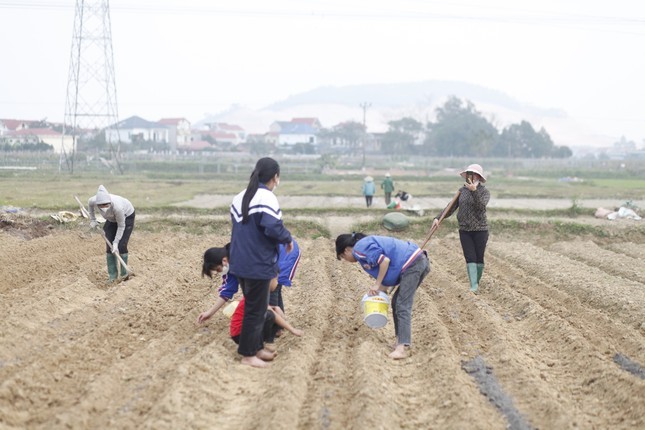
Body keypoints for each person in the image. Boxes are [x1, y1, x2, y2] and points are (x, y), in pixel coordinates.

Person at [229, 157, 293, 368]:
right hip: (258, 263)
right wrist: (287, 238)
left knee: (254, 305)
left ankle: (257, 348)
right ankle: (248, 354)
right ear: (275, 177)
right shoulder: (267, 197)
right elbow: (272, 227)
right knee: (255, 310)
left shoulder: (240, 196)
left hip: (240, 261)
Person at [335, 233, 430, 360]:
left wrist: (376, 284)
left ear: (347, 249)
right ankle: (399, 341)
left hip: (413, 264)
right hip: (416, 262)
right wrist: (379, 291)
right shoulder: (363, 250)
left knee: (402, 304)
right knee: (396, 301)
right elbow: (386, 275)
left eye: (343, 256)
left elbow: (384, 261)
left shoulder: (359, 249)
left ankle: (401, 348)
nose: (346, 260)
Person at [196, 240, 300, 324]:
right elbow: (227, 291)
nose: (220, 272)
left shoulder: (242, 255)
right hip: (270, 257)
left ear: (223, 260)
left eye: (218, 269)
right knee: (270, 290)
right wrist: (210, 312)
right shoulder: (230, 266)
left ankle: (275, 326)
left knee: (272, 288)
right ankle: (278, 324)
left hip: (285, 250)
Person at [431, 163, 490, 294]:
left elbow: (481, 206)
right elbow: (450, 207)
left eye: (473, 174)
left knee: (479, 257)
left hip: (480, 230)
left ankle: (476, 282)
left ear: (478, 177)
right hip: (465, 230)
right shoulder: (462, 191)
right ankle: (473, 285)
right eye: (469, 174)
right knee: (470, 257)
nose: (470, 177)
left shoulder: (484, 192)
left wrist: (474, 191)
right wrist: (438, 218)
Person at [230, 278, 304, 355]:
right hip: (240, 334)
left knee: (272, 313)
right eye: (276, 279)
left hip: (242, 331)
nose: (277, 282)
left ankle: (261, 345)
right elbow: (273, 315)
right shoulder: (257, 295)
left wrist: (276, 308)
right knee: (270, 315)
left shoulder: (258, 292)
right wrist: (292, 330)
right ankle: (261, 347)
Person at [87, 185, 135, 282]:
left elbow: (121, 226)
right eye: (101, 205)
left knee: (121, 245)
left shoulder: (117, 207)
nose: (104, 207)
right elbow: (90, 205)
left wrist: (116, 242)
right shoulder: (93, 200)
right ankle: (112, 276)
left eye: (106, 205)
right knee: (109, 245)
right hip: (111, 219)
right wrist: (93, 219)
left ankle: (124, 274)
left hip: (127, 217)